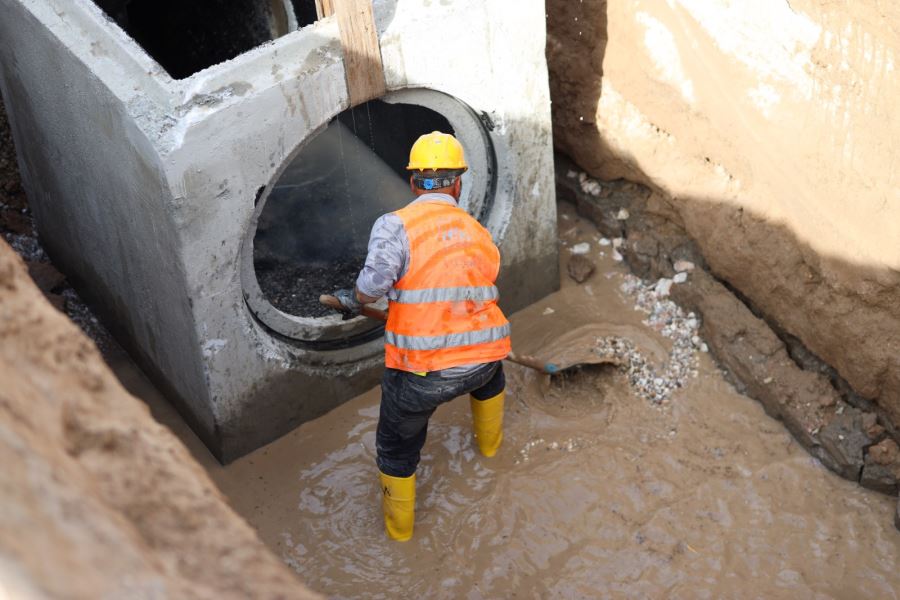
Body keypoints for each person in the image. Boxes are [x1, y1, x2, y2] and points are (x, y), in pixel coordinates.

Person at [332, 131, 511, 541]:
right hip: (484, 361)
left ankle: (401, 538)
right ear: (458, 184)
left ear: (413, 183)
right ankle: (491, 453)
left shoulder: (395, 225)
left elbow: (374, 286)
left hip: (422, 377)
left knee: (396, 450)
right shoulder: (478, 232)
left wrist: (353, 298)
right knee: (492, 378)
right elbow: (470, 285)